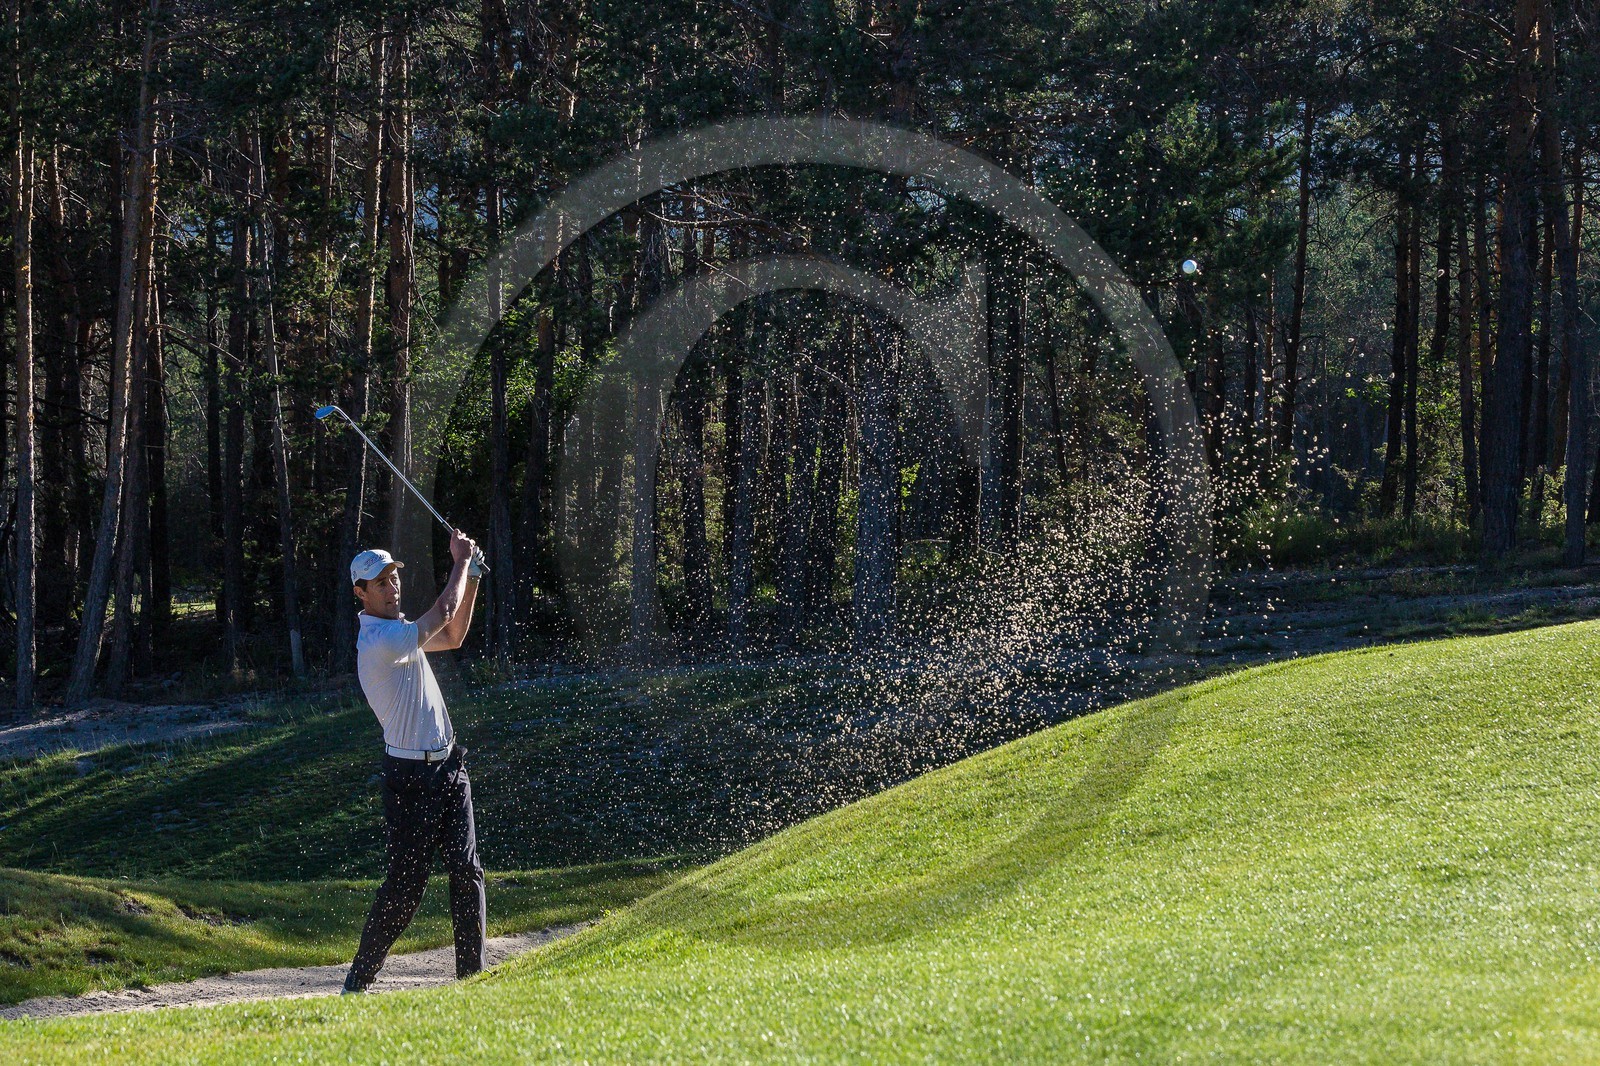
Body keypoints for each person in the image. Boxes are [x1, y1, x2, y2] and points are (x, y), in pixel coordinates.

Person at [342, 530, 486, 994]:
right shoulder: (380, 640)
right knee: (405, 889)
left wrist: (473, 575)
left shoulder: (402, 633)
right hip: (410, 779)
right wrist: (460, 561)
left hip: (449, 767)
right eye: (380, 583)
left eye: (393, 578)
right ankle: (358, 981)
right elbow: (442, 612)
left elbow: (455, 634)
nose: (392, 588)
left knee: (467, 871)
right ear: (360, 594)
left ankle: (473, 980)